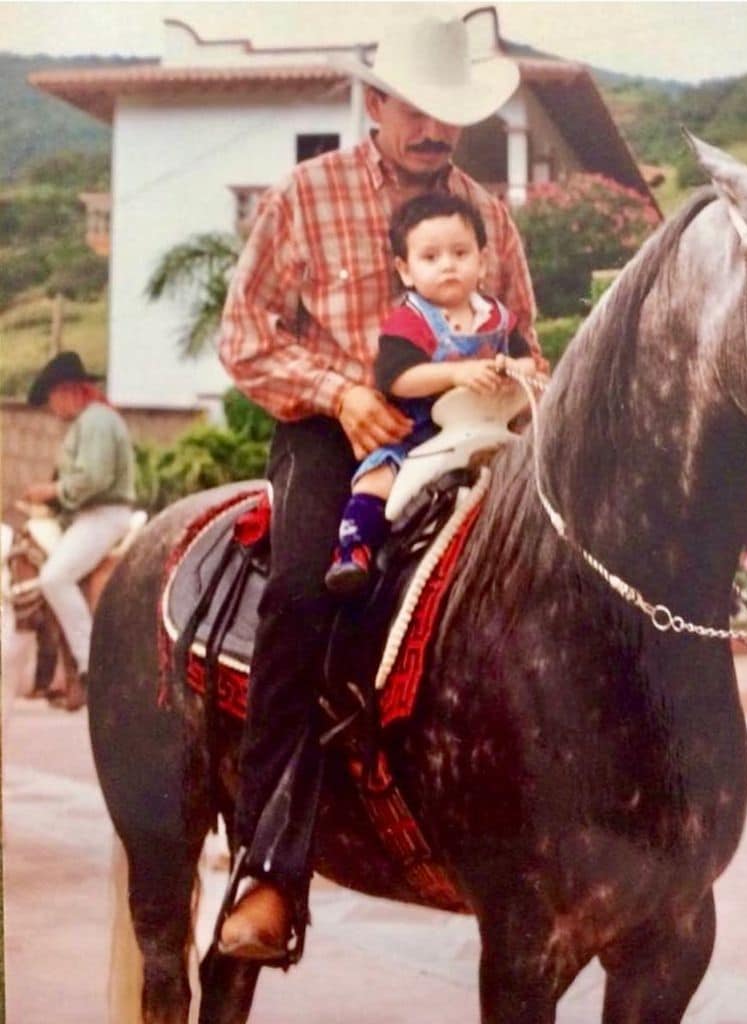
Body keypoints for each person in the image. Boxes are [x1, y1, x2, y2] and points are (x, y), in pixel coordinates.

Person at [217, 14, 543, 963]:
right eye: (420, 110)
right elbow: (245, 337)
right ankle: (269, 869)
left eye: (452, 113)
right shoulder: (303, 196)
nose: (437, 129)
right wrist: (339, 390)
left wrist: (530, 382)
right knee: (300, 591)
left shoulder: (487, 211)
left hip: (469, 428)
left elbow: (522, 333)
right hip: (336, 433)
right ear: (377, 103)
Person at [325, 192, 536, 594]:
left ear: (482, 259)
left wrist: (511, 369)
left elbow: (530, 363)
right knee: (378, 480)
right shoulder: (410, 321)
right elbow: (396, 378)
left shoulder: (497, 317)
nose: (448, 266)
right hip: (419, 435)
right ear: (405, 270)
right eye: (431, 257)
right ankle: (353, 549)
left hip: (488, 428)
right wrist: (457, 373)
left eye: (460, 253)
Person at [23, 350, 136, 711]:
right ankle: (61, 671)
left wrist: (52, 491)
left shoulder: (97, 420)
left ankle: (90, 664)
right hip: (90, 514)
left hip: (103, 514)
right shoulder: (93, 420)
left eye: (52, 399)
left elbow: (94, 478)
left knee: (53, 577)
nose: (52, 410)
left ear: (68, 391)